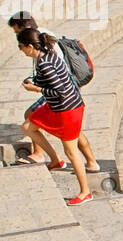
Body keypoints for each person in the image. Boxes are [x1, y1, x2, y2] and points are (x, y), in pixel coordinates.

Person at [7, 12, 100, 170]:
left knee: (34, 117)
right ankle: (91, 162)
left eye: (17, 32)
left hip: (64, 91)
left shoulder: (41, 43)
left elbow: (55, 72)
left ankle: (40, 154)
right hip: (68, 89)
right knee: (72, 131)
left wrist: (36, 87)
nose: (17, 37)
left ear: (26, 29)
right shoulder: (41, 37)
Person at [16, 27, 92, 205]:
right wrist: (34, 81)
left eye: (21, 47)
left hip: (67, 109)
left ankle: (85, 192)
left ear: (29, 46)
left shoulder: (45, 63)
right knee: (28, 127)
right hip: (60, 106)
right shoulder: (47, 54)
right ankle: (56, 161)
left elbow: (60, 91)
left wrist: (36, 89)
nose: (21, 51)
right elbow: (53, 81)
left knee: (72, 152)